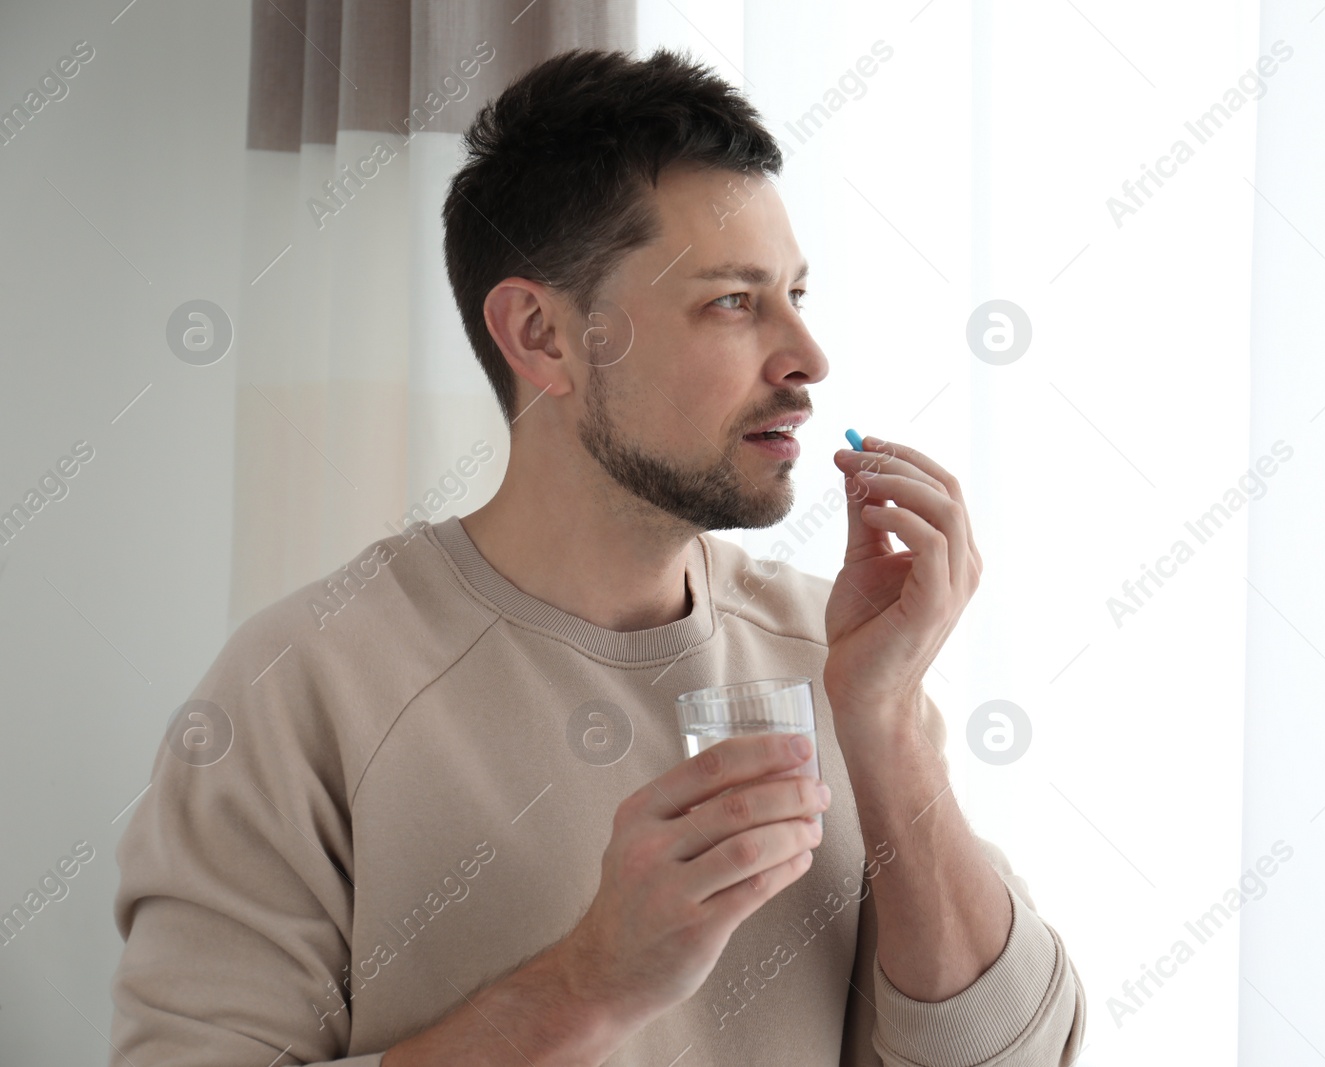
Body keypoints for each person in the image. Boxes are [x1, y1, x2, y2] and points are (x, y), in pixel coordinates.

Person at [107, 47, 1085, 1066]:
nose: (808, 356)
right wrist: (594, 978)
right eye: (733, 301)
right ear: (542, 335)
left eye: (796, 292)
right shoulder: (298, 687)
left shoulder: (835, 656)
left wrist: (887, 728)